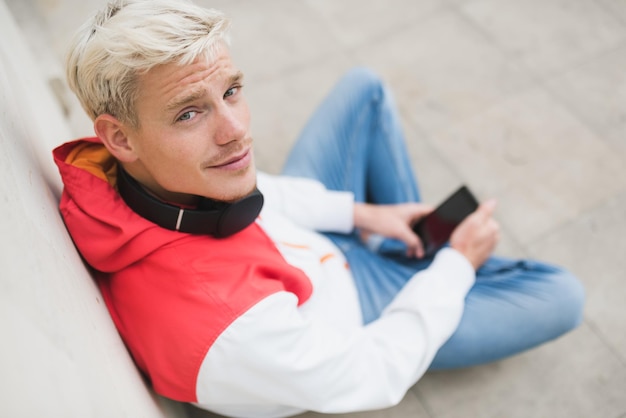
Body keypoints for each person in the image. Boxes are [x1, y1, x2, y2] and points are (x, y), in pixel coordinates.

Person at [53, 0, 584, 417]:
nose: (237, 131)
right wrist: (457, 265)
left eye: (232, 90)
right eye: (190, 113)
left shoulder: (139, 181)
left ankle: (406, 243)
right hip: (355, 309)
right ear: (119, 137)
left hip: (313, 250)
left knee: (364, 88)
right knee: (562, 295)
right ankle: (429, 262)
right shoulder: (234, 330)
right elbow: (374, 370)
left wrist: (363, 215)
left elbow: (263, 194)